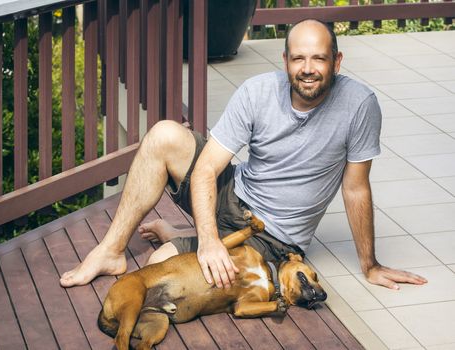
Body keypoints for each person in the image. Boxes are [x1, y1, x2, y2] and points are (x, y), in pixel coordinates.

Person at [60, 19, 427, 290]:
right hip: (235, 197)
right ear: (285, 61)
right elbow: (206, 170)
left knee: (160, 267)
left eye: (319, 59)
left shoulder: (360, 105)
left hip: (273, 237)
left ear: (337, 61)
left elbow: (356, 189)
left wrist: (370, 265)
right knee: (164, 135)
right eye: (299, 58)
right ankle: (110, 251)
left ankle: (183, 237)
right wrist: (208, 242)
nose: (308, 69)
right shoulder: (257, 92)